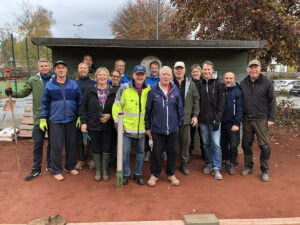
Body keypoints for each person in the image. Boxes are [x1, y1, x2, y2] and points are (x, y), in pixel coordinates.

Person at [5, 58, 53, 181]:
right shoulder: (33, 80)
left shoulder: (56, 79)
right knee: (38, 143)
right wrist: (12, 92)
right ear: (38, 68)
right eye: (41, 66)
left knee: (52, 143)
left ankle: (51, 165)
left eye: (46, 65)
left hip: (54, 115)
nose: (44, 67)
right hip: (39, 116)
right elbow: (23, 92)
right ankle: (36, 169)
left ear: (50, 66)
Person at [40, 60, 82, 181]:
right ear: (55, 70)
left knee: (71, 145)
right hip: (56, 120)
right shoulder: (50, 85)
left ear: (66, 70)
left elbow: (79, 102)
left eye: (63, 67)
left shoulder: (73, 85)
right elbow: (44, 104)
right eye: (58, 68)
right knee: (57, 147)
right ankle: (56, 170)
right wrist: (43, 118)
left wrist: (79, 116)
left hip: (71, 120)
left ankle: (70, 166)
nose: (61, 70)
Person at [145, 66, 184, 187]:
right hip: (157, 129)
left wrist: (178, 124)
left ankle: (170, 174)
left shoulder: (175, 90)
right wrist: (148, 127)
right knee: (156, 153)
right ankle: (155, 175)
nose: (166, 77)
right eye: (164, 74)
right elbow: (147, 111)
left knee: (172, 152)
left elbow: (180, 108)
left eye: (168, 74)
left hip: (172, 129)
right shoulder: (152, 90)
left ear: (171, 77)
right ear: (159, 76)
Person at [112, 65, 151, 185]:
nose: (140, 77)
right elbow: (116, 107)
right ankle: (126, 174)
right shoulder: (124, 88)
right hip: (126, 129)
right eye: (137, 74)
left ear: (145, 76)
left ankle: (138, 174)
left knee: (140, 153)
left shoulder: (149, 90)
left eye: (142, 74)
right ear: (133, 75)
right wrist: (119, 125)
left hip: (142, 130)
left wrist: (149, 127)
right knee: (125, 153)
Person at [240, 59, 276, 182]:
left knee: (264, 146)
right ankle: (248, 166)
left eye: (256, 67)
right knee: (246, 144)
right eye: (251, 67)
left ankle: (265, 170)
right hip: (247, 119)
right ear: (248, 69)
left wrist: (271, 118)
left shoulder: (267, 83)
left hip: (261, 119)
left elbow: (273, 102)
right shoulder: (243, 83)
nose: (253, 69)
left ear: (260, 69)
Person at [80, 67, 118, 181]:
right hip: (93, 125)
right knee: (95, 147)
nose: (102, 77)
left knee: (106, 147)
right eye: (99, 75)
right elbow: (83, 107)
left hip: (108, 125)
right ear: (96, 77)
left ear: (108, 77)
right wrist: (83, 122)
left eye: (104, 75)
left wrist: (110, 115)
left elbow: (119, 107)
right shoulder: (89, 90)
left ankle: (105, 170)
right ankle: (98, 170)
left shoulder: (114, 91)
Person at [197, 60, 225, 180]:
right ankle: (208, 163)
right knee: (206, 144)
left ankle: (216, 167)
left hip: (214, 121)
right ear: (202, 71)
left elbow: (221, 105)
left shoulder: (219, 84)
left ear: (212, 70)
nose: (207, 71)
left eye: (209, 69)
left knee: (216, 144)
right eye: (205, 69)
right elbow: (196, 102)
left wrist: (217, 120)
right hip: (203, 121)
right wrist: (197, 118)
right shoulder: (199, 84)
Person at [173, 61, 199, 175]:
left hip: (186, 119)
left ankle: (183, 164)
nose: (179, 70)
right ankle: (171, 163)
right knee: (172, 143)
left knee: (185, 142)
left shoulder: (190, 83)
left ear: (184, 70)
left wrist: (195, 115)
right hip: (171, 119)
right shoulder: (169, 82)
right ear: (174, 70)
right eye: (177, 68)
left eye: (181, 68)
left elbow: (196, 99)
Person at [74, 63, 97, 170]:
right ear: (78, 70)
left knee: (92, 138)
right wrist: (78, 115)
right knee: (79, 140)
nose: (83, 70)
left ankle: (91, 159)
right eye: (81, 68)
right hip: (78, 116)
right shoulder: (74, 83)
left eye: (85, 68)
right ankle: (81, 159)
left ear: (88, 70)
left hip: (91, 116)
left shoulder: (94, 83)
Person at [221, 72, 243, 175]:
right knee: (223, 144)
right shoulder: (221, 89)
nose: (228, 80)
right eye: (226, 78)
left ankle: (233, 164)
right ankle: (225, 161)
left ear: (234, 79)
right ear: (224, 79)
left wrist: (237, 123)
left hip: (233, 123)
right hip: (222, 123)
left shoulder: (238, 91)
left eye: (230, 78)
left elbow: (240, 109)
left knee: (234, 145)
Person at [144, 60, 163, 162]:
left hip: (160, 111)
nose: (154, 70)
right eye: (152, 68)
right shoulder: (146, 81)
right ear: (150, 69)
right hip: (149, 110)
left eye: (156, 68)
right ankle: (148, 151)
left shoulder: (162, 80)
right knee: (148, 130)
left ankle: (162, 151)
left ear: (158, 69)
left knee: (161, 131)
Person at [189, 64, 204, 161]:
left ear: (200, 72)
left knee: (203, 135)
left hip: (202, 113)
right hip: (191, 114)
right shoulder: (188, 83)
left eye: (197, 71)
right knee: (189, 135)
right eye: (193, 72)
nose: (195, 73)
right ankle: (188, 153)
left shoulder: (204, 83)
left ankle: (204, 153)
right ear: (191, 73)